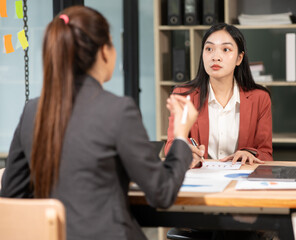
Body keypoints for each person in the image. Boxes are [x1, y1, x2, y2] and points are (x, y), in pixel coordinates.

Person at [0, 6, 198, 240]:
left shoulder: (32, 110)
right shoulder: (118, 110)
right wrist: (181, 134)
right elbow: (162, 193)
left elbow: (12, 194)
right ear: (104, 51)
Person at [165, 23, 273, 167]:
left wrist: (249, 153)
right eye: (209, 49)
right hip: (199, 177)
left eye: (225, 49)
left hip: (240, 177)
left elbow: (265, 153)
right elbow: (171, 145)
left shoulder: (260, 98)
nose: (216, 57)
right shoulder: (184, 95)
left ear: (239, 58)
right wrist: (185, 152)